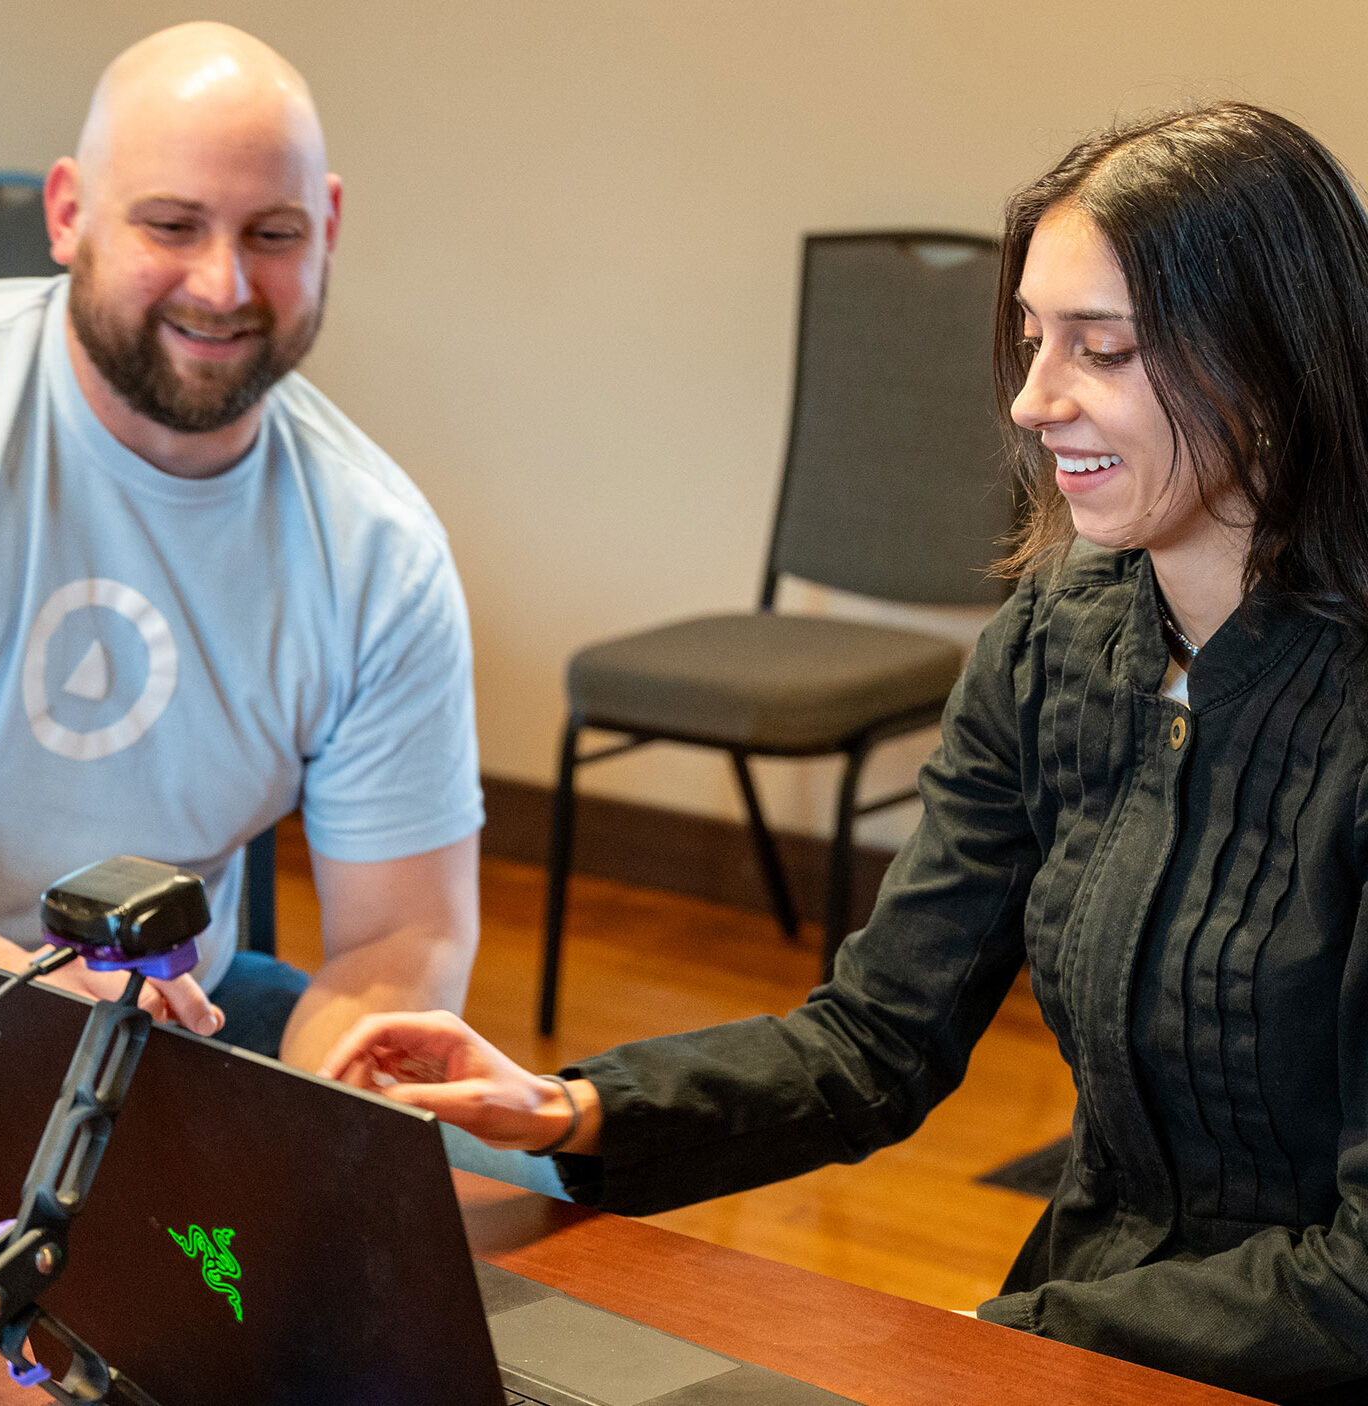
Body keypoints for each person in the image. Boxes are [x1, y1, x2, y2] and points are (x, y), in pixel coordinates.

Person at [322, 103, 1368, 1403]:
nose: (1034, 400)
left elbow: (1358, 1278)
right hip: (1067, 1326)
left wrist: (994, 1342)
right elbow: (877, 1038)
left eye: (1100, 348)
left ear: (1271, 365)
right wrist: (573, 1107)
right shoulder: (1053, 640)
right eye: (1033, 339)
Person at [0, 24, 485, 1078]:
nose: (224, 284)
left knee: (488, 1173)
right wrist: (33, 1005)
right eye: (172, 225)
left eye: (274, 233)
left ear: (327, 227)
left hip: (160, 1018)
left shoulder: (381, 555)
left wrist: (322, 1123)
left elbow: (403, 934)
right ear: (68, 213)